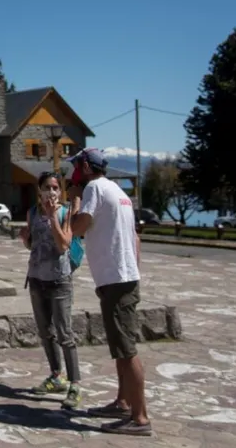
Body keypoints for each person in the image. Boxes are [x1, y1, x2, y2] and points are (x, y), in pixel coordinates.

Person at [69, 148, 150, 436]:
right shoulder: (116, 189)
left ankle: (139, 417)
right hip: (123, 275)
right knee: (120, 346)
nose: (74, 172)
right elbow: (135, 238)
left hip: (115, 279)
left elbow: (78, 228)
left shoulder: (93, 188)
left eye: (76, 165)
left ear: (87, 167)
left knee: (127, 350)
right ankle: (123, 401)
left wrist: (75, 202)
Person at [21, 171, 82, 409]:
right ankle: (57, 375)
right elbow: (34, 244)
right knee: (46, 333)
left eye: (56, 187)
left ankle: (75, 383)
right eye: (47, 187)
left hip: (59, 281)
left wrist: (52, 216)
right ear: (39, 190)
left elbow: (63, 243)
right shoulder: (32, 213)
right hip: (37, 279)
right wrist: (26, 240)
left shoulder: (65, 212)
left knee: (65, 334)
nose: (52, 192)